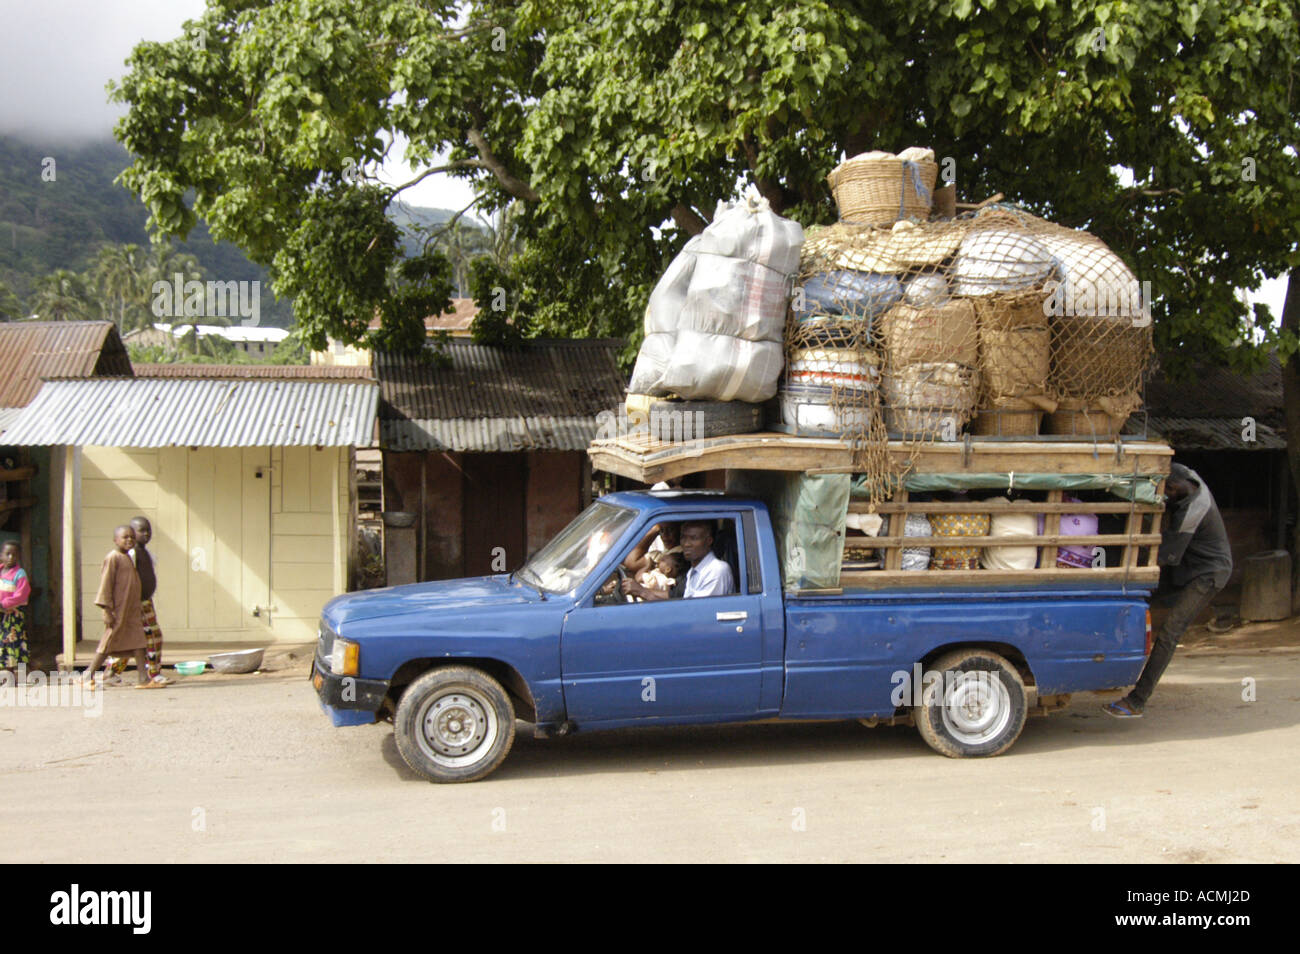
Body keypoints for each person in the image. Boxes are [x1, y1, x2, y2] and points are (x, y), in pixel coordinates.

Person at [1104, 463, 1233, 718]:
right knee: (1133, 604)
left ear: (1181, 484)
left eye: (1171, 490)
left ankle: (1137, 700)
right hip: (1189, 566)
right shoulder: (1187, 475)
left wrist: (1129, 564)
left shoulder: (1195, 510)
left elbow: (1167, 556)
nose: (1169, 494)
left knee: (1170, 633)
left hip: (1207, 575)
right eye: (1166, 489)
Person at [80, 526, 154, 689]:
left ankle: (143, 678)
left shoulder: (127, 557)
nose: (129, 540)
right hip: (118, 611)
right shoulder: (113, 557)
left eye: (132, 538)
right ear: (115, 540)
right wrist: (106, 610)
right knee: (108, 642)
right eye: (125, 537)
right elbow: (106, 584)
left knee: (139, 642)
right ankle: (87, 676)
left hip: (131, 611)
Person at [109, 516, 168, 685]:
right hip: (134, 604)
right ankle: (152, 673)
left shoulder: (147, 553)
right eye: (141, 530)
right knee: (150, 637)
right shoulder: (130, 555)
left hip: (146, 602)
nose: (146, 533)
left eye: (148, 530)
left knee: (142, 638)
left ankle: (113, 672)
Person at [622, 520, 734, 600]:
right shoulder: (694, 571)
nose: (686, 544)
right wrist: (640, 590)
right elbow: (676, 597)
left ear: (709, 541)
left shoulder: (717, 570)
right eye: (683, 537)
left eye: (693, 538)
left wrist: (644, 592)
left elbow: (696, 613)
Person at [0, 540, 31, 673]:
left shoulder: (20, 574)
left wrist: (3, 604)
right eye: (7, 554)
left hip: (12, 615)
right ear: (1, 555)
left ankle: (10, 671)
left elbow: (21, 595)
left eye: (14, 555)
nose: (10, 558)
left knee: (11, 641)